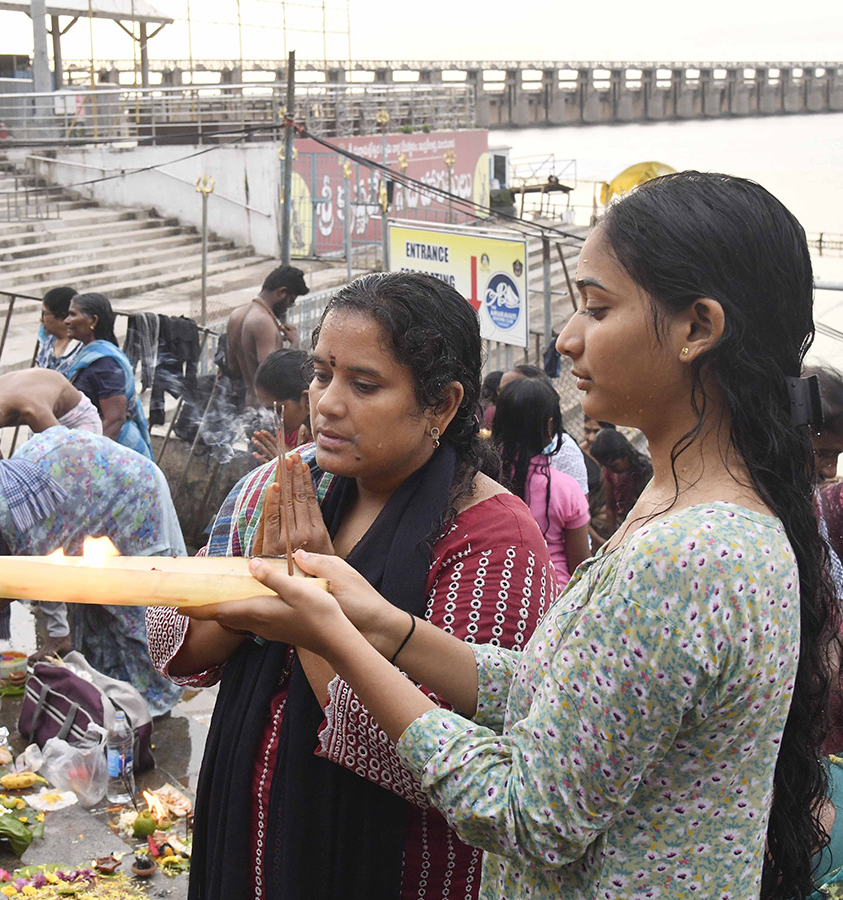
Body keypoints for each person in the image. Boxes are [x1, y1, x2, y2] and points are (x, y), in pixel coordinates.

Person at [185, 172, 836, 900]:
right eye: (322, 375)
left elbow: (528, 813)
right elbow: (548, 694)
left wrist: (333, 638)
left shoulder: (688, 554)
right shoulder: (682, 506)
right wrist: (380, 622)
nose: (567, 337)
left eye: (597, 308)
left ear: (697, 329)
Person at [148, 272, 558, 900]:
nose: (327, 404)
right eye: (321, 375)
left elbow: (436, 763)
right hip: (244, 840)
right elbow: (182, 651)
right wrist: (251, 591)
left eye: (364, 385)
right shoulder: (276, 487)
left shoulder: (494, 538)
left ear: (442, 406)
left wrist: (316, 619)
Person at [0, 428, 184, 715]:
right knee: (92, 600)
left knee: (130, 606)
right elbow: (15, 563)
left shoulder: (13, 508)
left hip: (136, 503)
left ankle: (152, 701)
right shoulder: (6, 478)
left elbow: (40, 576)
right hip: (110, 499)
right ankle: (113, 685)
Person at [492, 377, 591, 588]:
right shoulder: (565, 489)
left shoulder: (483, 480)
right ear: (550, 425)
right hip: (553, 600)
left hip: (496, 590)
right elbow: (580, 566)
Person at [0, 368, 100, 463]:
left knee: (79, 467)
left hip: (76, 418)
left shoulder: (33, 412)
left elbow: (67, 453)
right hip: (47, 416)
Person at [64, 292, 152, 458]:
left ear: (93, 321)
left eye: (72, 314)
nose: (66, 321)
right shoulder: (88, 354)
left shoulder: (105, 364)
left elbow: (114, 420)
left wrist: (90, 459)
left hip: (115, 454)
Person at [223, 265, 309, 408]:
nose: (288, 306)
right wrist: (294, 344)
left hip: (246, 405)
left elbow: (233, 367)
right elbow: (274, 378)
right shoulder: (263, 322)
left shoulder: (236, 315)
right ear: (282, 292)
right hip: (264, 410)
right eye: (291, 300)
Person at [497, 363, 588, 493]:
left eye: (514, 391)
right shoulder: (497, 445)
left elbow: (578, 502)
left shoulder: (564, 451)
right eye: (501, 391)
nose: (503, 398)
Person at [589, 427, 653, 535]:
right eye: (606, 466)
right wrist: (614, 537)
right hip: (623, 518)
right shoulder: (611, 472)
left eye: (613, 465)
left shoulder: (645, 471)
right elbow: (610, 508)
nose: (609, 470)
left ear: (625, 455)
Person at [251, 347, 311, 462]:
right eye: (267, 411)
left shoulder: (328, 441)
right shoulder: (289, 432)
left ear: (307, 400)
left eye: (278, 410)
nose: (272, 419)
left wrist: (291, 465)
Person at [35, 286, 80, 374]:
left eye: (45, 313)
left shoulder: (80, 349)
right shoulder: (49, 340)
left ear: (63, 316)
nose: (41, 319)